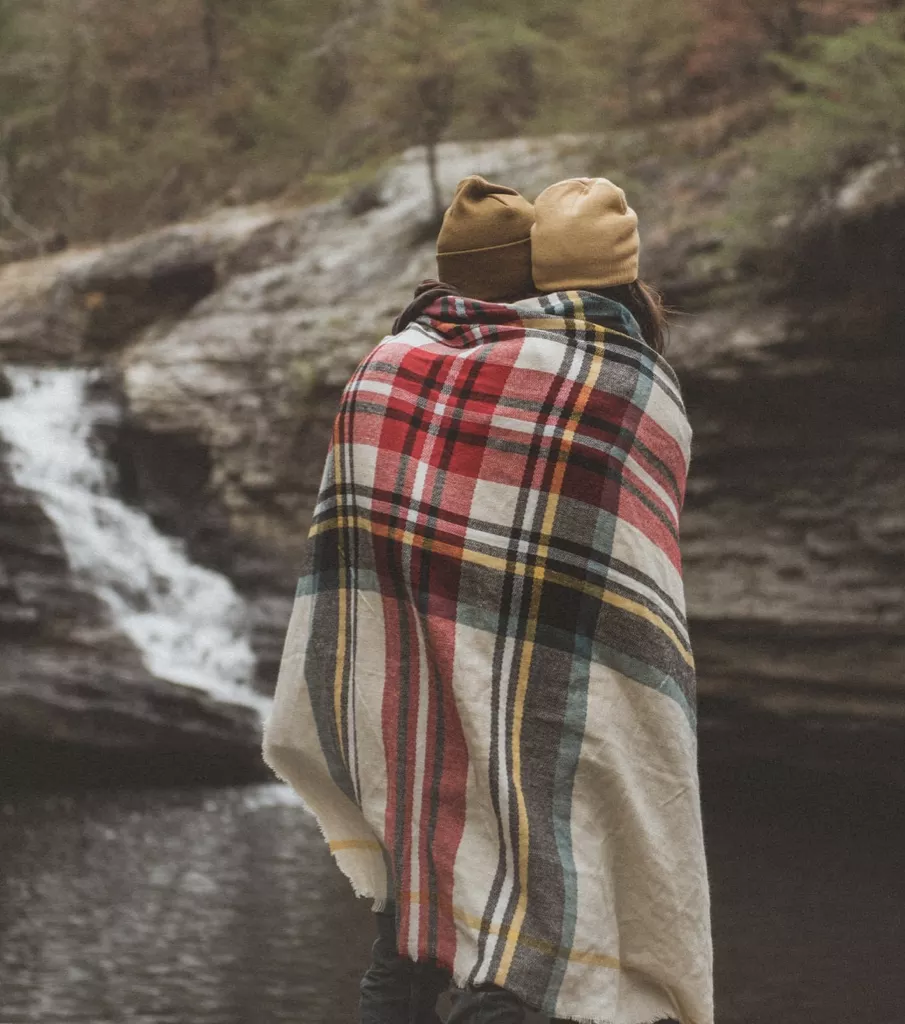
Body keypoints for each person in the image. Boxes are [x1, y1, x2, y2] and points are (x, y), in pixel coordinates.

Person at [262, 175, 713, 1024]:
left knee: (408, 939)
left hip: (413, 709)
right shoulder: (628, 379)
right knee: (533, 947)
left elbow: (357, 556)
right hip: (565, 713)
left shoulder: (390, 365)